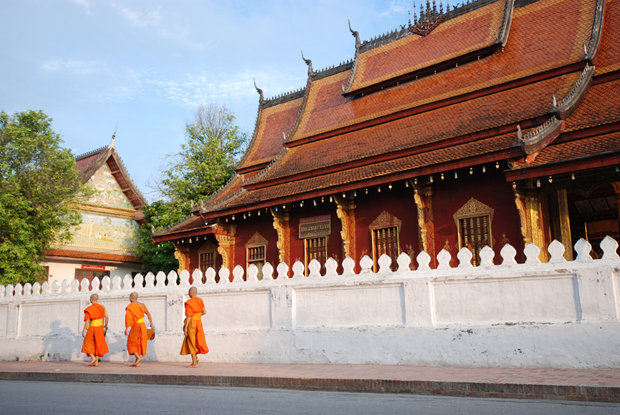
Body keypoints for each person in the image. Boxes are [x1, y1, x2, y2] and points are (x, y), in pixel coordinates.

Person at [180, 287, 209, 368]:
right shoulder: (200, 300)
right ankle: (195, 358)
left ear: (191, 293)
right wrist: (197, 316)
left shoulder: (189, 302)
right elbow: (204, 312)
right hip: (199, 323)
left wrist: (185, 327)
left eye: (189, 293)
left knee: (191, 342)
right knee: (196, 340)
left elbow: (189, 316)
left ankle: (194, 363)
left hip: (192, 323)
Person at [124, 292, 154, 367]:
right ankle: (136, 362)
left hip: (136, 325)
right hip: (142, 325)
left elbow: (129, 318)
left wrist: (127, 329)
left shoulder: (130, 306)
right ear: (137, 298)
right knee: (139, 342)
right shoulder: (142, 305)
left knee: (131, 342)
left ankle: (138, 357)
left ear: (131, 297)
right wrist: (151, 324)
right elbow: (149, 315)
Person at [81, 293, 109, 367]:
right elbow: (106, 317)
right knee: (98, 344)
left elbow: (87, 320)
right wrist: (106, 325)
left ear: (91, 299)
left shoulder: (90, 309)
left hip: (92, 327)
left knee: (87, 343)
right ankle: (96, 362)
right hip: (100, 327)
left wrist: (84, 330)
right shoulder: (102, 307)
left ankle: (93, 358)